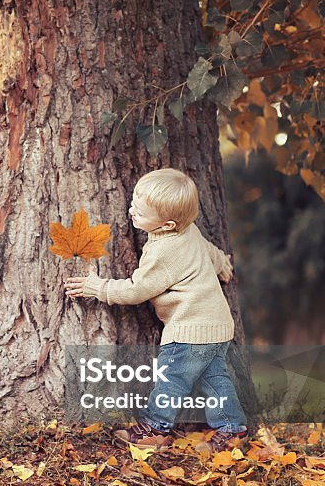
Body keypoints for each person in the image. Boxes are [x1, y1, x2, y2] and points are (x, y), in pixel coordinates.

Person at [63, 168, 248, 450]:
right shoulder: (189, 231)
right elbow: (208, 251)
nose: (131, 210)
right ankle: (232, 428)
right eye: (134, 202)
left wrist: (97, 287)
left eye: (140, 210)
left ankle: (153, 427)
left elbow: (137, 289)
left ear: (168, 225)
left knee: (170, 380)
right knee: (214, 380)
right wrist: (222, 265)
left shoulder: (164, 251)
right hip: (217, 327)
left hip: (189, 330)